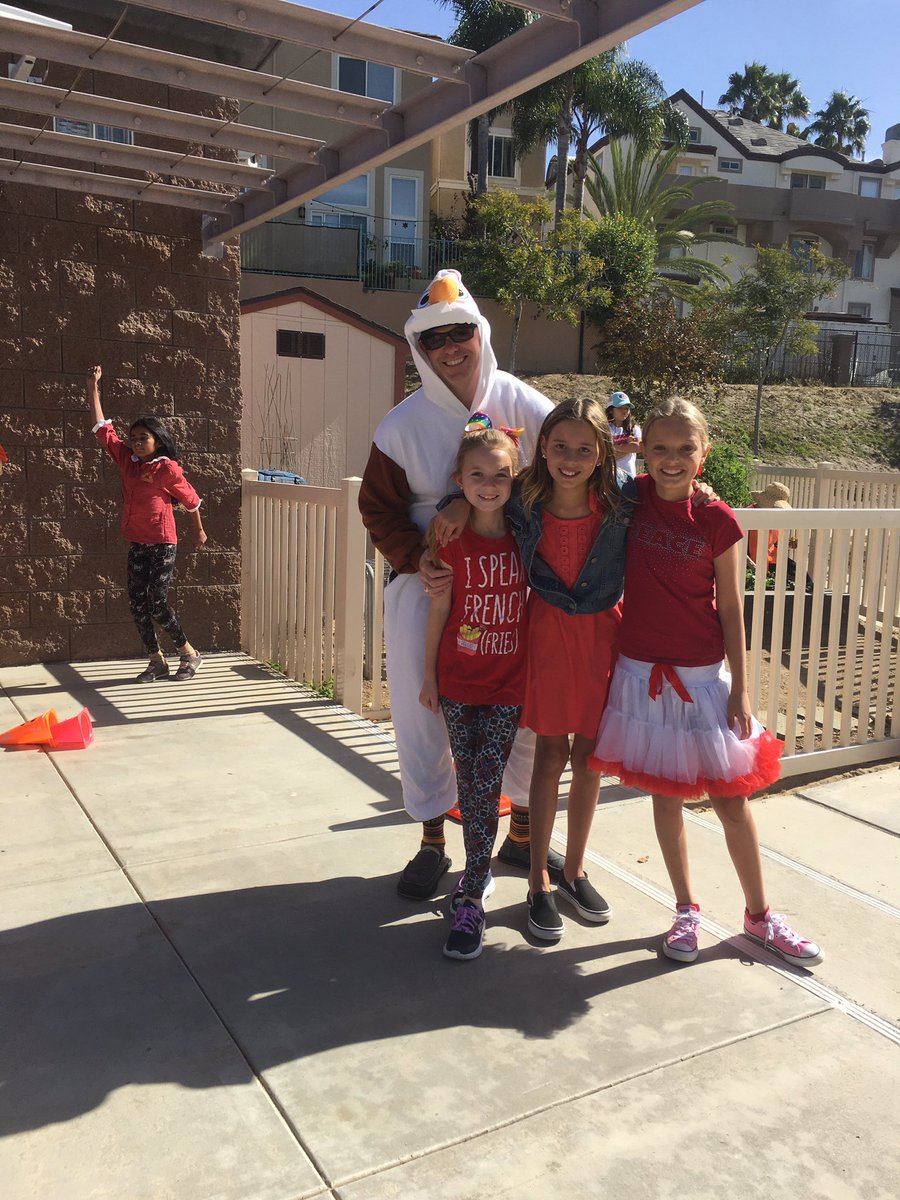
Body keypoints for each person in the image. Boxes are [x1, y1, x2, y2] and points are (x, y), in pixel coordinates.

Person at [590, 398, 823, 968]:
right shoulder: (629, 499)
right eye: (661, 449)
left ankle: (760, 915)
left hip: (702, 677)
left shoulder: (717, 519)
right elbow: (564, 476)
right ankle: (685, 909)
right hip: (643, 676)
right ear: (643, 451)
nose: (672, 460)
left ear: (704, 454)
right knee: (666, 799)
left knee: (731, 801)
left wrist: (740, 686)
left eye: (685, 449)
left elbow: (733, 608)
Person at [358, 269, 561, 901]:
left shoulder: (527, 406)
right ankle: (431, 840)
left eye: (461, 332)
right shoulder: (400, 426)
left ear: (481, 333)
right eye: (435, 337)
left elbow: (575, 473)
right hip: (432, 583)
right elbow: (377, 508)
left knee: (525, 703)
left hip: (511, 583)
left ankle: (524, 829)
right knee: (423, 713)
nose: (451, 347)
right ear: (419, 346)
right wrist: (418, 557)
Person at [504, 397, 634, 940]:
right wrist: (454, 505)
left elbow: (673, 499)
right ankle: (537, 879)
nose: (571, 458)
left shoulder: (623, 503)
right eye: (560, 446)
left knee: (590, 756)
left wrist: (701, 488)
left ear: (602, 451)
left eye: (584, 448)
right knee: (550, 751)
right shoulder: (523, 498)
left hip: (603, 634)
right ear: (543, 447)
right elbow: (472, 487)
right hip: (550, 633)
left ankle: (574, 870)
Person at [419, 426, 526, 960]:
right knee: (473, 780)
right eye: (477, 475)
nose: (489, 484)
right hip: (458, 682)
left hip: (510, 683)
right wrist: (427, 676)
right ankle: (474, 879)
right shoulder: (449, 538)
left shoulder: (528, 535)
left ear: (516, 479)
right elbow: (439, 607)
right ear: (459, 482)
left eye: (500, 475)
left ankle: (472, 892)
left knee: (486, 779)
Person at [87, 366, 207, 682]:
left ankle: (189, 654)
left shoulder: (166, 469)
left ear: (157, 441)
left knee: (156, 602)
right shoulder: (127, 460)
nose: (138, 443)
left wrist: (198, 529)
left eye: (145, 438)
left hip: (163, 542)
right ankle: (156, 661)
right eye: (135, 438)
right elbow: (103, 431)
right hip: (138, 540)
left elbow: (192, 500)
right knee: (137, 604)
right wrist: (93, 387)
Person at [606, 390, 641, 479]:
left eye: (627, 408)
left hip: (629, 478)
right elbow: (604, 455)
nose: (624, 411)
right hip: (608, 478)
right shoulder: (604, 429)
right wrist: (627, 447)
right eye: (620, 408)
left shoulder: (634, 428)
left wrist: (612, 447)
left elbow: (638, 447)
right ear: (610, 410)